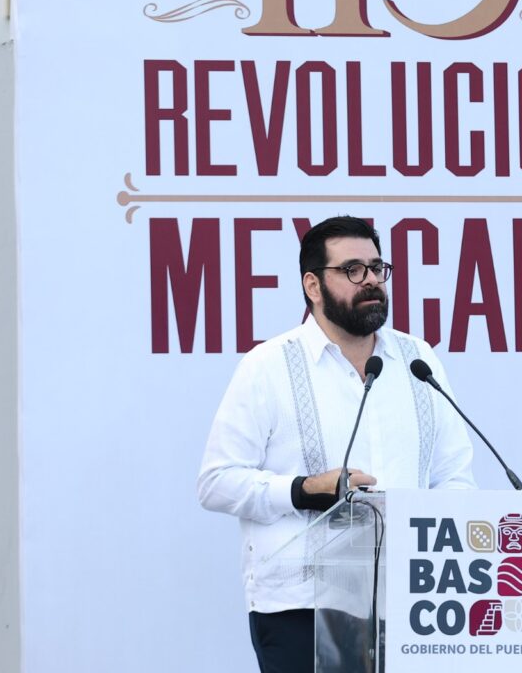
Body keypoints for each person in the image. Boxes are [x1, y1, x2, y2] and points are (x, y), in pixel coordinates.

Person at [198, 215, 475, 672]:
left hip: (412, 604)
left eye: (376, 268)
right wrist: (304, 490)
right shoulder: (267, 366)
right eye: (352, 270)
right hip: (301, 609)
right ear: (312, 285)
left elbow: (454, 477)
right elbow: (217, 482)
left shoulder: (418, 360)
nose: (370, 281)